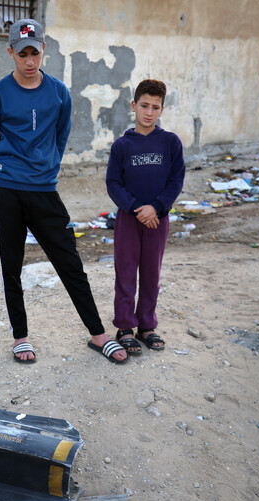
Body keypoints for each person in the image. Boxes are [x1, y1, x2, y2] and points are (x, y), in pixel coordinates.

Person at [0, 18, 127, 364]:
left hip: (45, 190)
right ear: (11, 52)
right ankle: (21, 337)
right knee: (11, 266)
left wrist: (48, 165)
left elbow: (61, 134)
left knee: (70, 262)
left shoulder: (58, 92)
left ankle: (98, 335)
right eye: (22, 53)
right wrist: (6, 160)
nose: (29, 61)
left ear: (44, 50)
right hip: (9, 190)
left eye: (35, 52)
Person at [106, 79, 185, 355]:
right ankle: (125, 326)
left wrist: (157, 207)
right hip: (130, 219)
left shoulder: (170, 143)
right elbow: (113, 183)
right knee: (126, 272)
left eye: (155, 107)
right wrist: (137, 208)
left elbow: (176, 180)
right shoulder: (122, 146)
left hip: (158, 219)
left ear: (162, 109)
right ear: (133, 106)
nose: (148, 112)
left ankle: (147, 325)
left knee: (151, 273)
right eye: (144, 106)